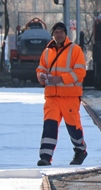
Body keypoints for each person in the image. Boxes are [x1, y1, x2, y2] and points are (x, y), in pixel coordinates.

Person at [36, 21, 88, 166]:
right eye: (56, 32)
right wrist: (41, 77)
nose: (58, 34)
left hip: (70, 96)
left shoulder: (75, 50)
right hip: (52, 96)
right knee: (49, 126)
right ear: (53, 34)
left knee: (73, 126)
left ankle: (80, 150)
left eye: (61, 32)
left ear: (66, 34)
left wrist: (61, 79)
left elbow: (80, 72)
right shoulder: (47, 51)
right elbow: (40, 69)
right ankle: (45, 157)